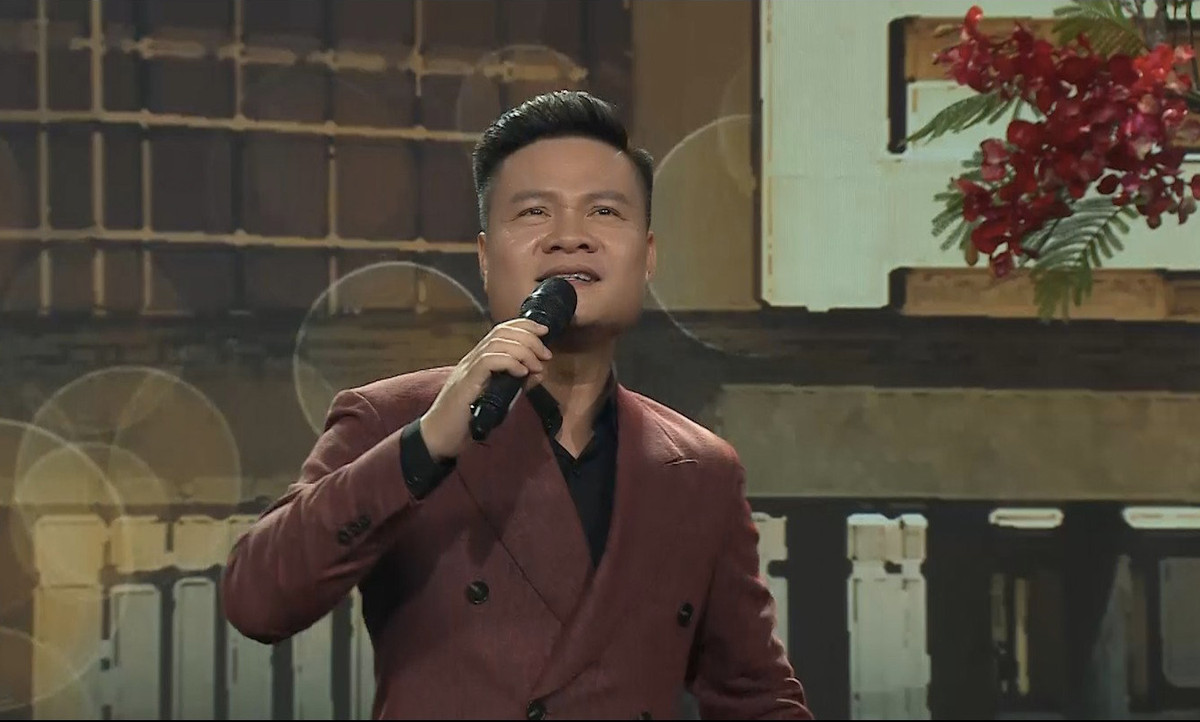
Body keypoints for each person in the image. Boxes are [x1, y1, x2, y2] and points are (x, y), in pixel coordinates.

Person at [221, 90, 811, 720]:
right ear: (484, 257)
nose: (569, 238)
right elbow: (257, 602)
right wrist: (425, 446)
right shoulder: (392, 419)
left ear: (647, 257)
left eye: (604, 211)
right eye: (534, 212)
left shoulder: (701, 471)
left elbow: (757, 697)